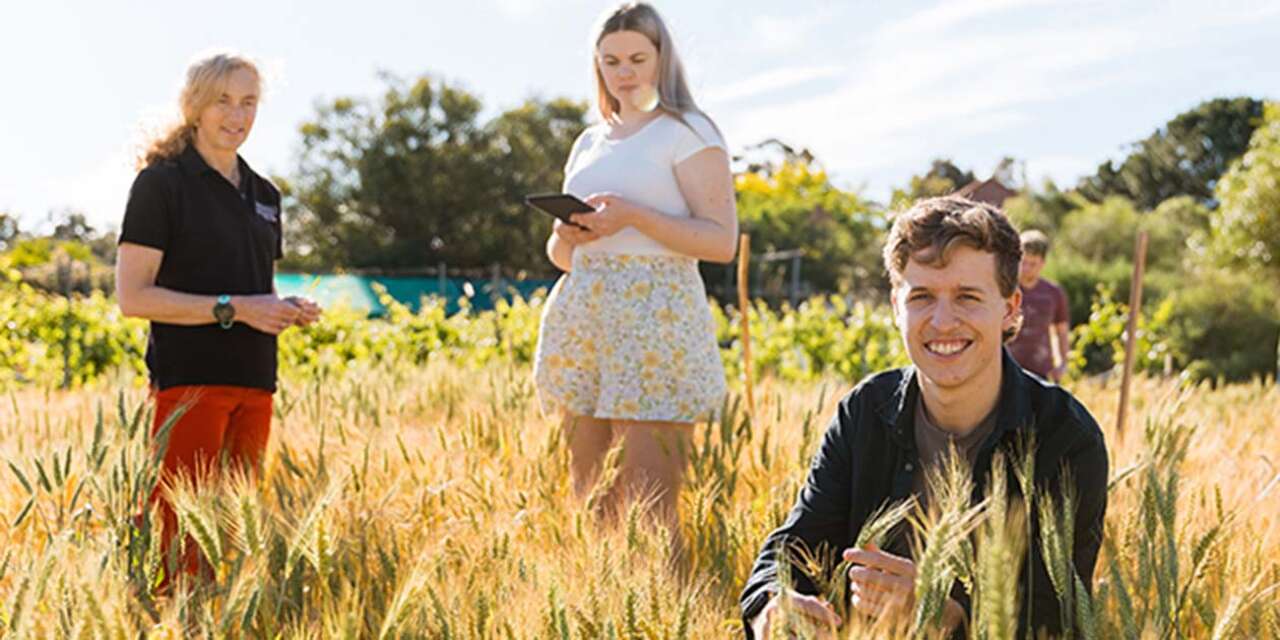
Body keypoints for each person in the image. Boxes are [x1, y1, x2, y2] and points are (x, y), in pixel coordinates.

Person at [739, 196, 1108, 638]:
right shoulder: (864, 412)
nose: (943, 320)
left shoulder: (1065, 437)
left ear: (1010, 307)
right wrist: (770, 608)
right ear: (897, 305)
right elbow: (793, 547)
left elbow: (1059, 618)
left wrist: (947, 611)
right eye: (922, 297)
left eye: (967, 297)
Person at [532, 2, 738, 534]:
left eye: (637, 59)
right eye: (610, 61)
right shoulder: (588, 141)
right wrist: (564, 234)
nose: (624, 73)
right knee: (590, 506)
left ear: (663, 60)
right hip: (585, 319)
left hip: (656, 324)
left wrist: (634, 217)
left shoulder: (688, 130)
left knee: (651, 513)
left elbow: (721, 241)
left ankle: (665, 613)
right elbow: (562, 259)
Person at [115, 51, 321, 581]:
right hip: (190, 385)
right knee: (178, 541)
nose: (237, 114)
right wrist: (236, 309)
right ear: (196, 107)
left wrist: (282, 309)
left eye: (249, 102)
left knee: (228, 536)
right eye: (223, 101)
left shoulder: (266, 195)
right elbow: (133, 297)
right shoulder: (161, 184)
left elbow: (254, 288)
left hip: (255, 383)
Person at [1007, 229, 1071, 381]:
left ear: (1042, 263)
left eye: (1033, 264)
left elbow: (1061, 331)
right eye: (1024, 262)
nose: (1027, 268)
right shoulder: (1006, 290)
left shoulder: (1053, 293)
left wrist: (1063, 363)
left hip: (1041, 370)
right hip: (1008, 368)